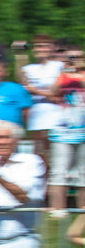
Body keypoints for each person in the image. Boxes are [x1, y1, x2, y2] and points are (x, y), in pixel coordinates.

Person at [48, 45, 85, 211]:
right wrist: (65, 73)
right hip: (63, 131)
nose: (74, 60)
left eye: (78, 57)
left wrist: (78, 73)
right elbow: (52, 92)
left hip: (83, 131)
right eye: (71, 57)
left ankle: (82, 210)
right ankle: (58, 210)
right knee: (59, 171)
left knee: (83, 174)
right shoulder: (62, 75)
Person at [18, 34, 64, 162]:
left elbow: (59, 92)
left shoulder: (59, 66)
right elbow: (23, 86)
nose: (40, 49)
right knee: (39, 151)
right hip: (36, 113)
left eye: (44, 46)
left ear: (51, 48)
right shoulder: (28, 68)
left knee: (56, 149)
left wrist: (35, 90)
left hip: (56, 113)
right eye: (37, 46)